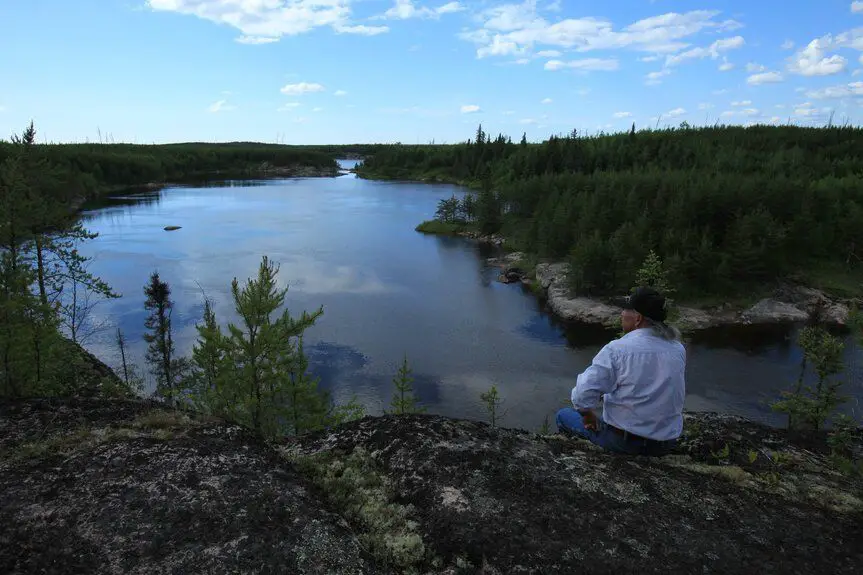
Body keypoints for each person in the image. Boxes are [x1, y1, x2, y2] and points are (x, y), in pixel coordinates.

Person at [556, 286, 686, 456]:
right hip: (665, 444)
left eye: (625, 310)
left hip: (625, 444)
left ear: (638, 318)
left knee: (564, 415)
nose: (621, 314)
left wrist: (588, 415)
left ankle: (572, 454)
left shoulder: (617, 349)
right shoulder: (677, 348)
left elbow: (582, 395)